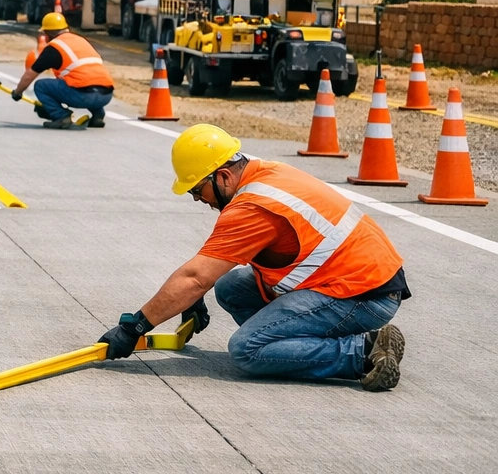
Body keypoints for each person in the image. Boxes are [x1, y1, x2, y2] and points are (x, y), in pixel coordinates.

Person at [97, 124, 409, 391]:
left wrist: (134, 328)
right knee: (231, 287)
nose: (196, 199)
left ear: (222, 177)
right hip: (355, 277)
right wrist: (188, 296)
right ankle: (297, 346)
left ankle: (364, 350)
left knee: (247, 349)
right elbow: (208, 268)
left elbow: (195, 277)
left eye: (196, 189)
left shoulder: (252, 207)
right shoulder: (263, 173)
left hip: (363, 294)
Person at [10, 12, 113, 128]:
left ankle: (61, 117)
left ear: (48, 33)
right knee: (88, 81)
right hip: (106, 96)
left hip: (83, 96)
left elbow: (30, 74)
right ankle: (98, 115)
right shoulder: (80, 40)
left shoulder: (54, 47)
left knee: (40, 86)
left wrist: (17, 92)